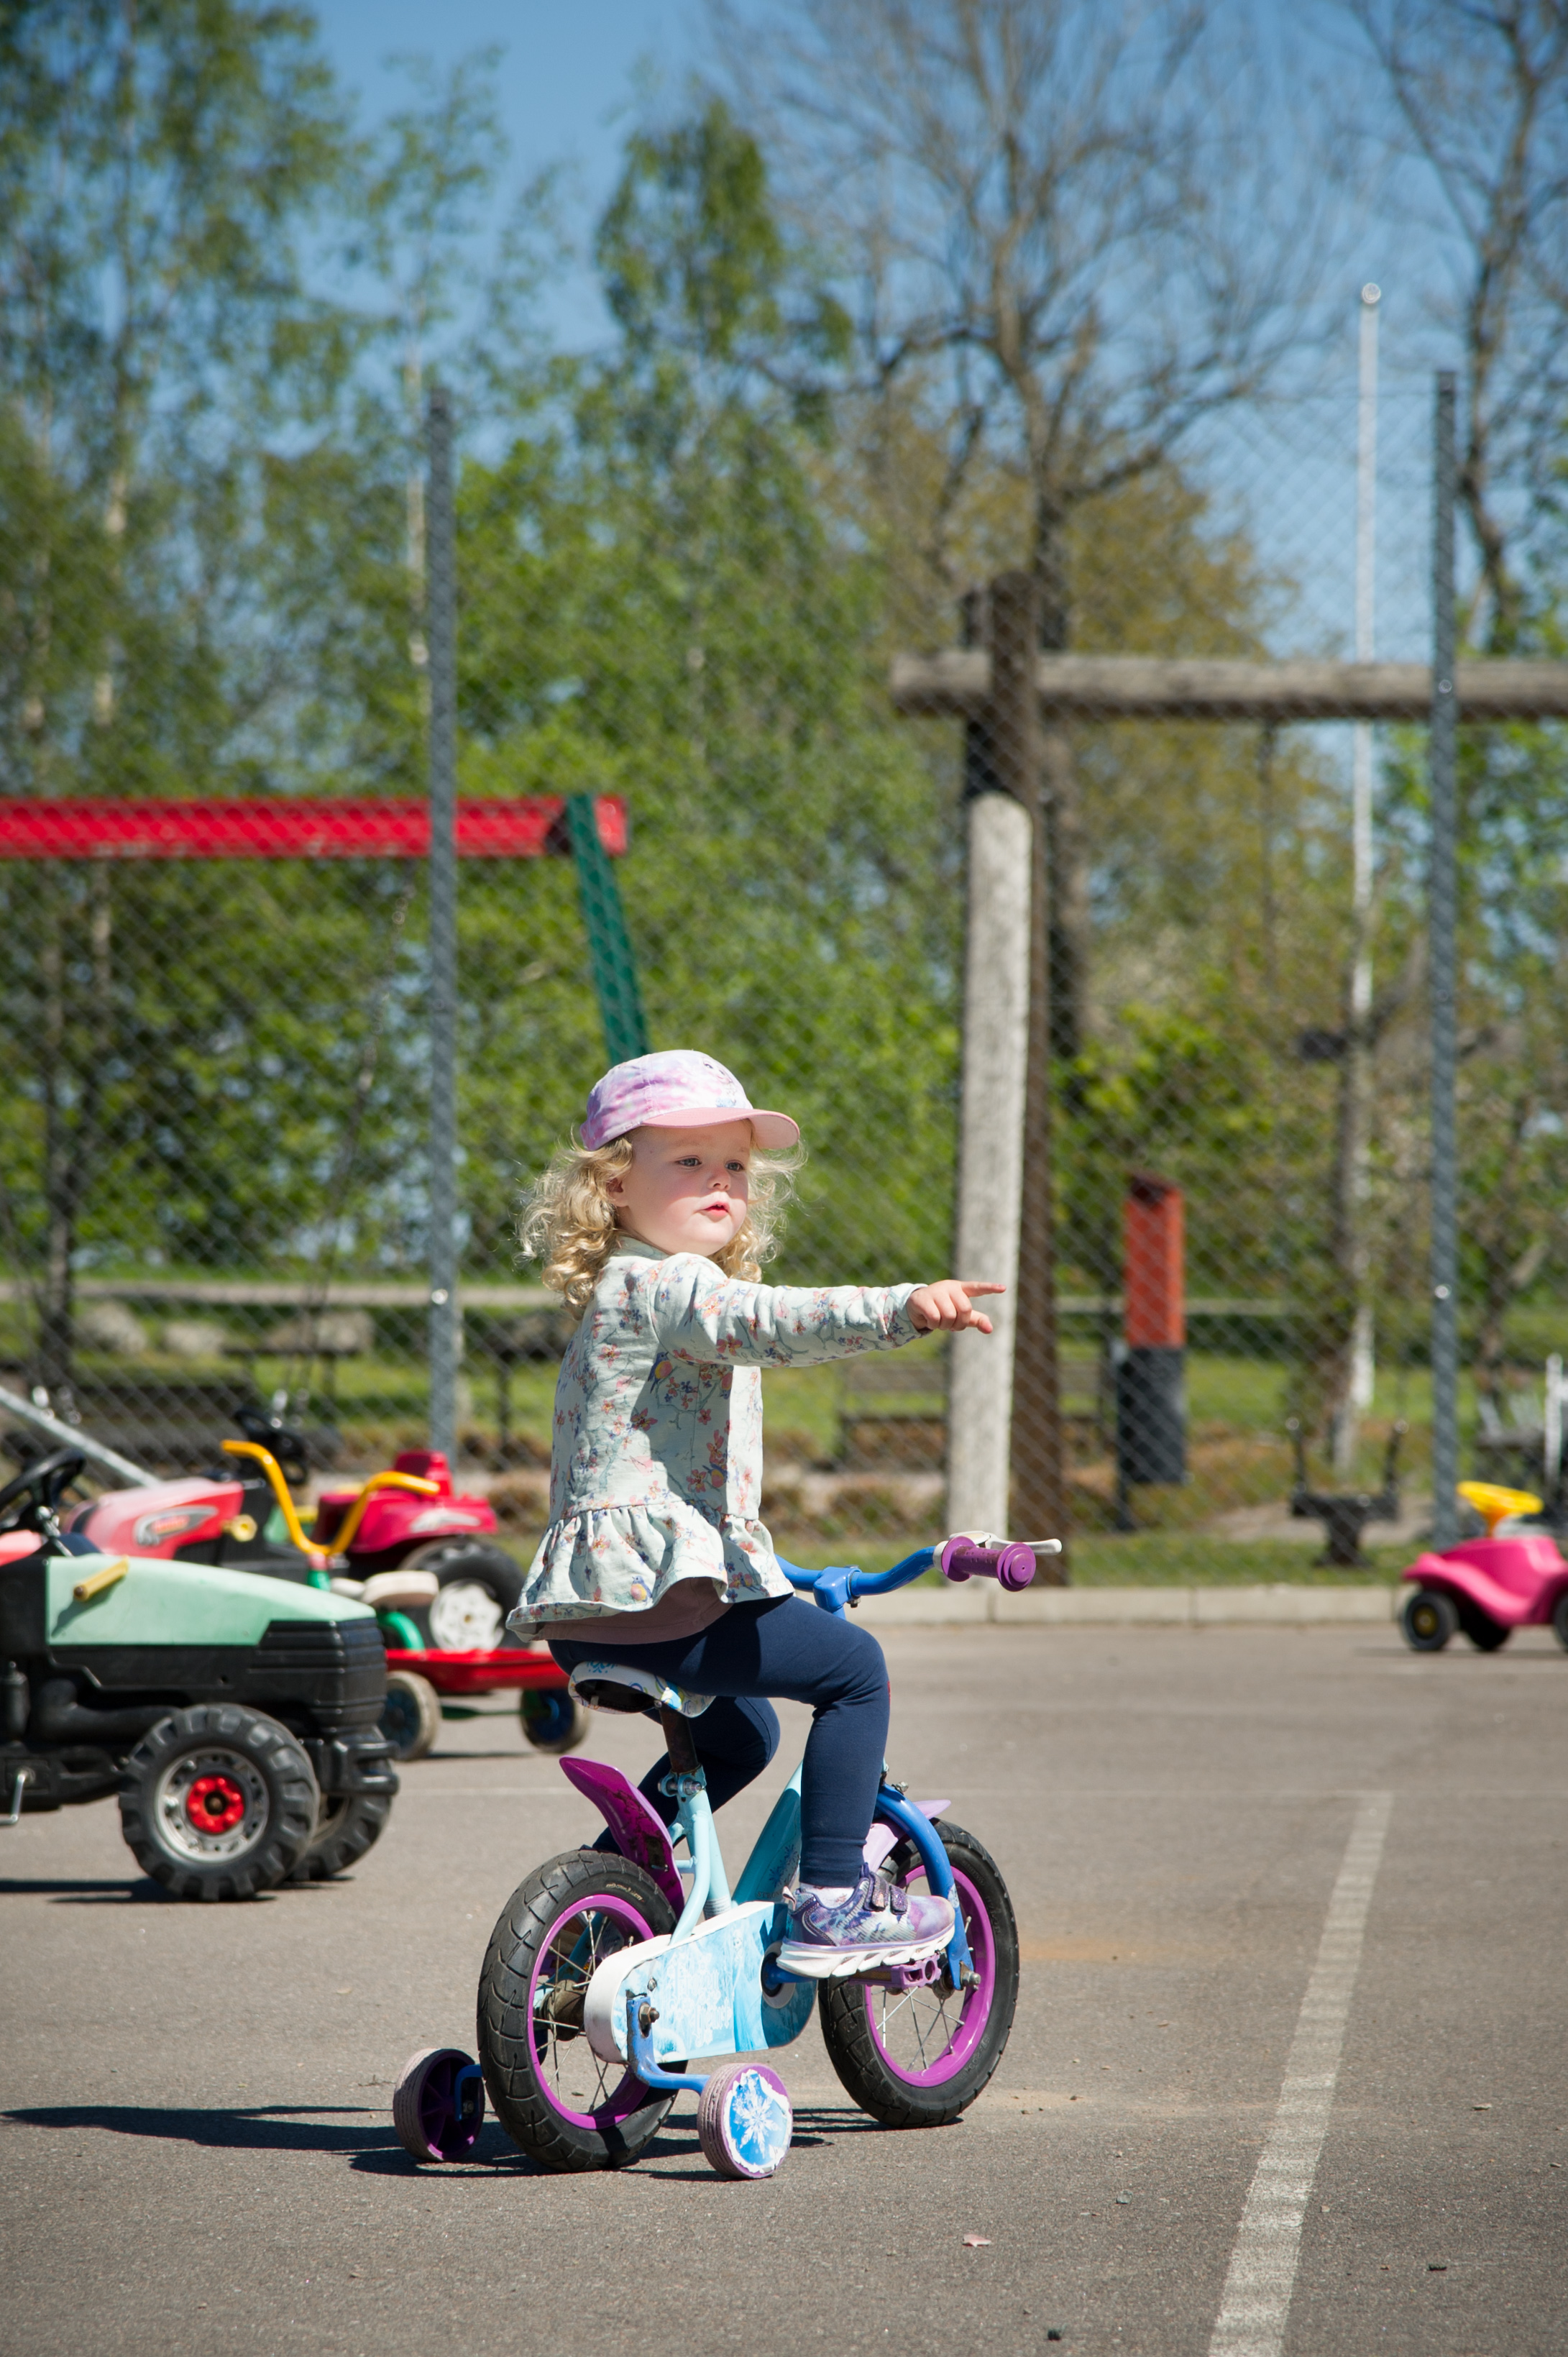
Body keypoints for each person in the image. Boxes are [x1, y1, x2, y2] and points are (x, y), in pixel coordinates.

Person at [510, 1048, 1001, 1975]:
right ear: (614, 1185)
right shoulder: (673, 1285)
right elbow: (772, 1324)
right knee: (854, 1672)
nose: (719, 1182)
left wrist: (749, 1561)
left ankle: (609, 1899)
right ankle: (831, 1899)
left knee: (744, 1732)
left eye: (734, 1164)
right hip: (659, 1604)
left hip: (586, 1613)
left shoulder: (620, 1292)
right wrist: (903, 1307)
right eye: (688, 1162)